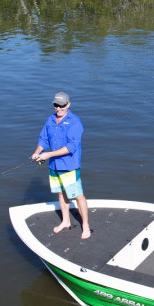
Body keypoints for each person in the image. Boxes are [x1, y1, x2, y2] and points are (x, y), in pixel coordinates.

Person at [31, 91, 91, 239]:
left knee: (78, 196)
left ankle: (86, 226)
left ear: (68, 105)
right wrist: (38, 152)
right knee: (61, 193)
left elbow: (71, 147)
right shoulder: (50, 120)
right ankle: (65, 221)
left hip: (69, 166)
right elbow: (43, 139)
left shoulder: (75, 122)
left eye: (61, 106)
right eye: (55, 106)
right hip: (54, 166)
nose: (58, 109)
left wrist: (48, 154)